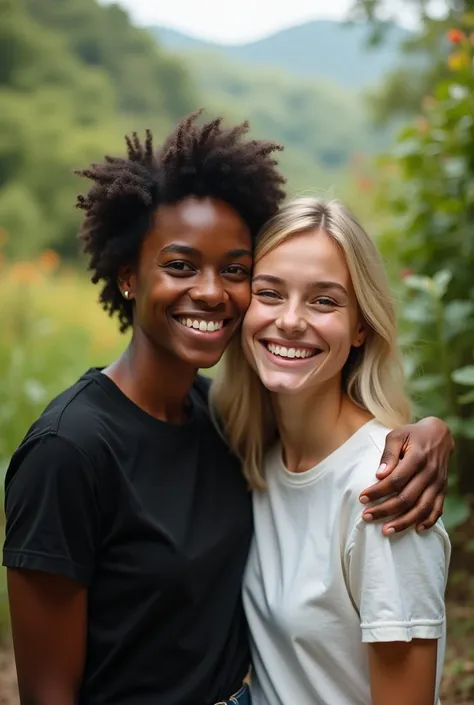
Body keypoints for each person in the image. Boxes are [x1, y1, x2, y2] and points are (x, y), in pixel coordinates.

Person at [2, 113, 452, 705]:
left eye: (235, 271)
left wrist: (425, 432)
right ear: (128, 275)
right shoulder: (74, 450)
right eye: (181, 265)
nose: (213, 291)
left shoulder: (232, 426)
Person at [212, 197, 451, 705]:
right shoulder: (257, 454)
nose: (291, 321)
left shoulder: (384, 492)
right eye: (270, 294)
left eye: (324, 301)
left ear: (361, 326)